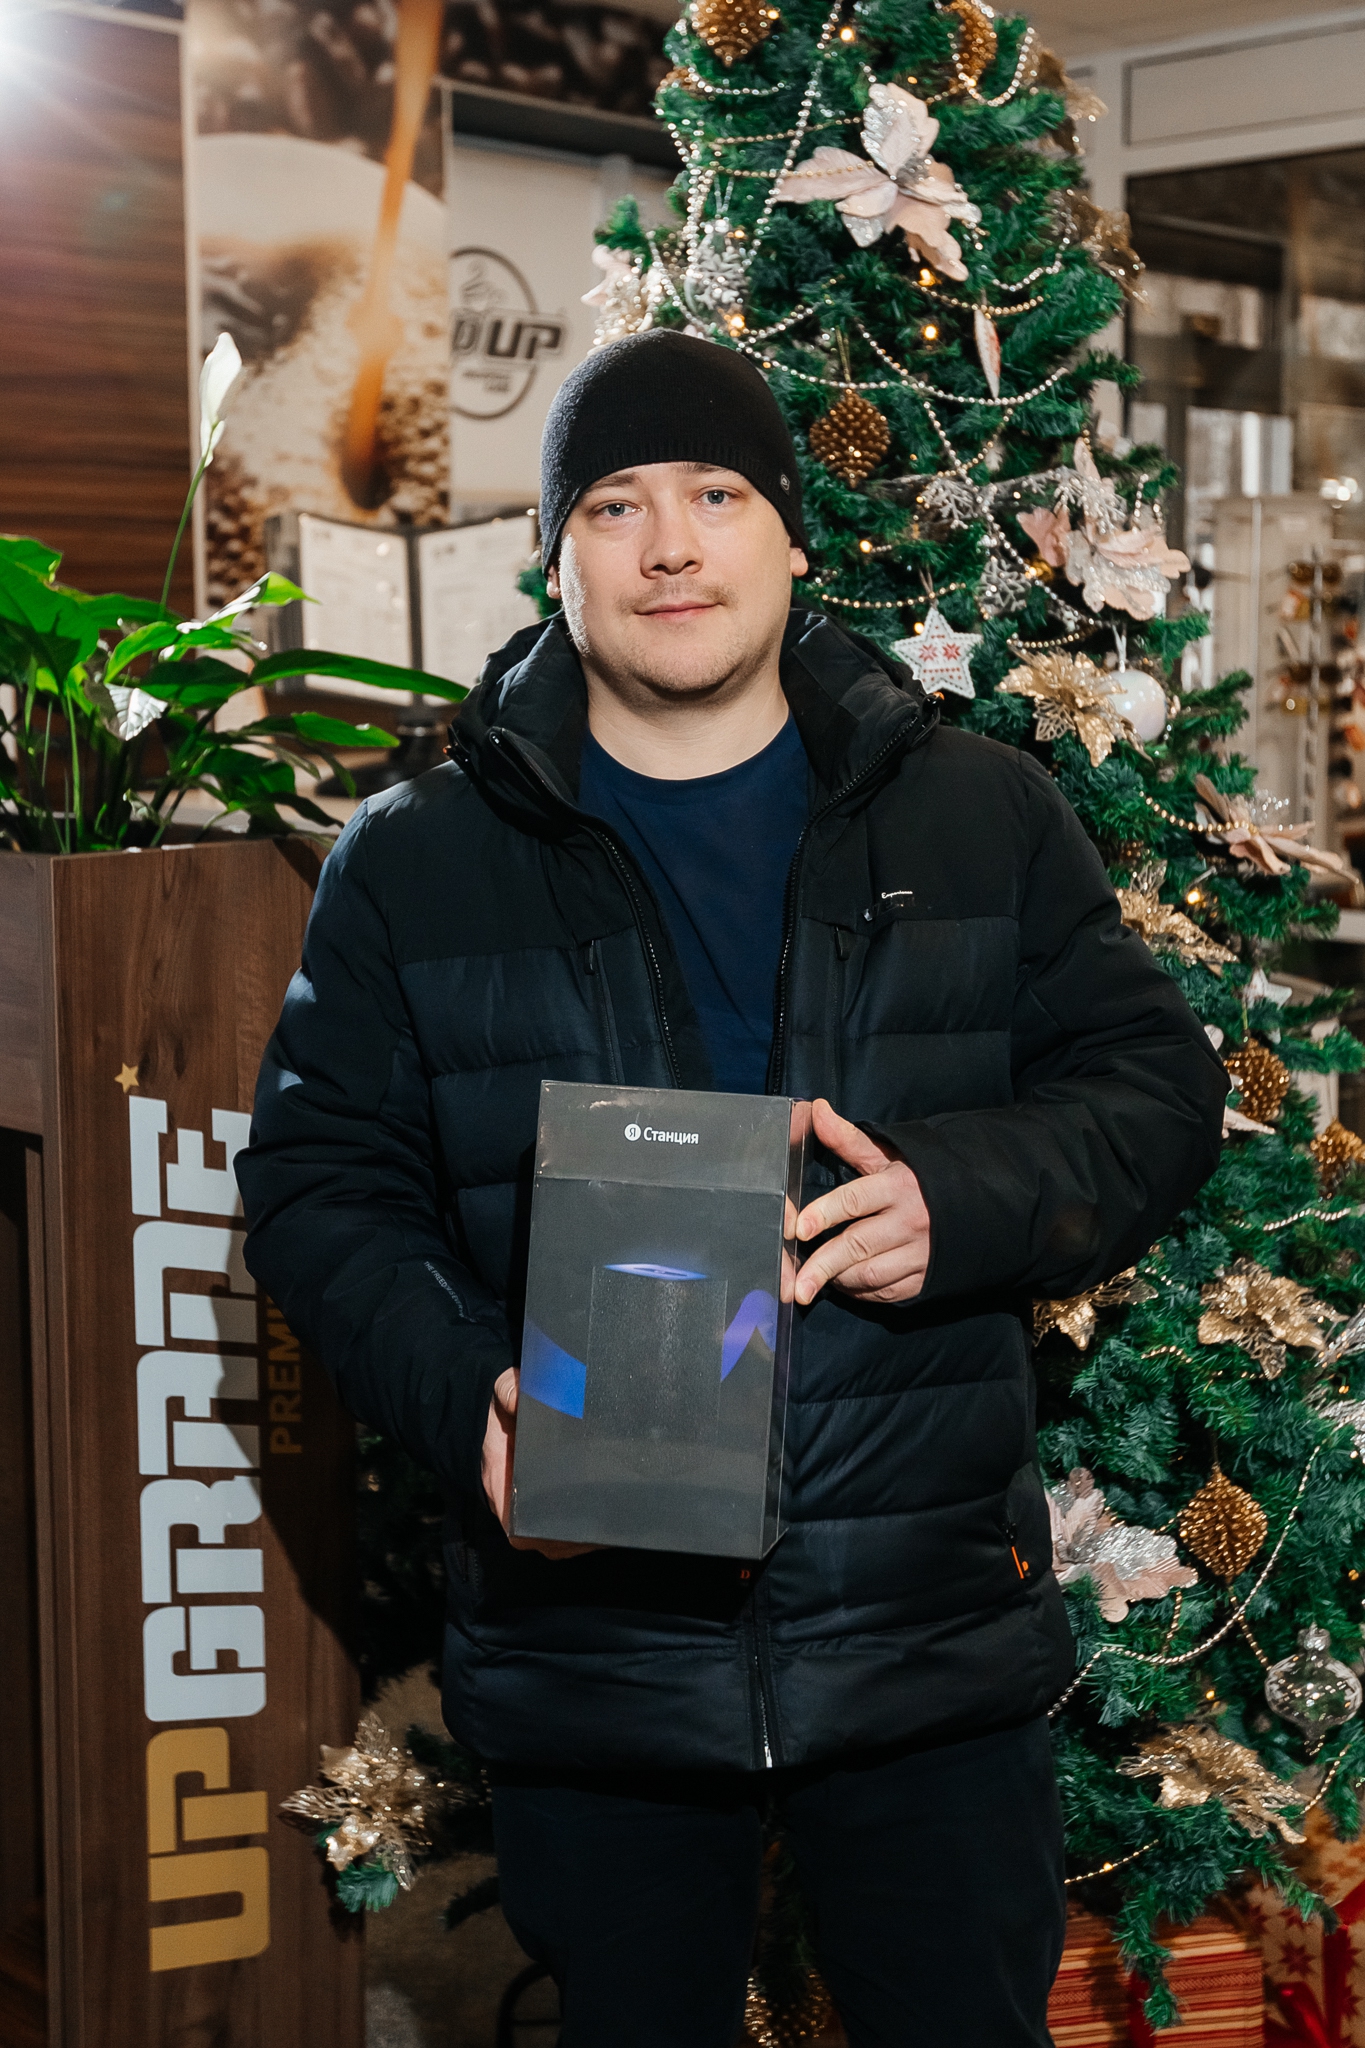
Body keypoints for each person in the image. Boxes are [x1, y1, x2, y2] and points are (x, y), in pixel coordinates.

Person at [239, 330, 1227, 2047]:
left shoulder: (978, 814)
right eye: (614, 506)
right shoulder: (417, 860)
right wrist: (469, 1393)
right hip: (595, 1650)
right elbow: (320, 1184)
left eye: (714, 495)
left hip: (919, 1634)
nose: (669, 547)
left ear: (787, 534)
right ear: (556, 557)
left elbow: (1157, 1084)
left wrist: (961, 1196)